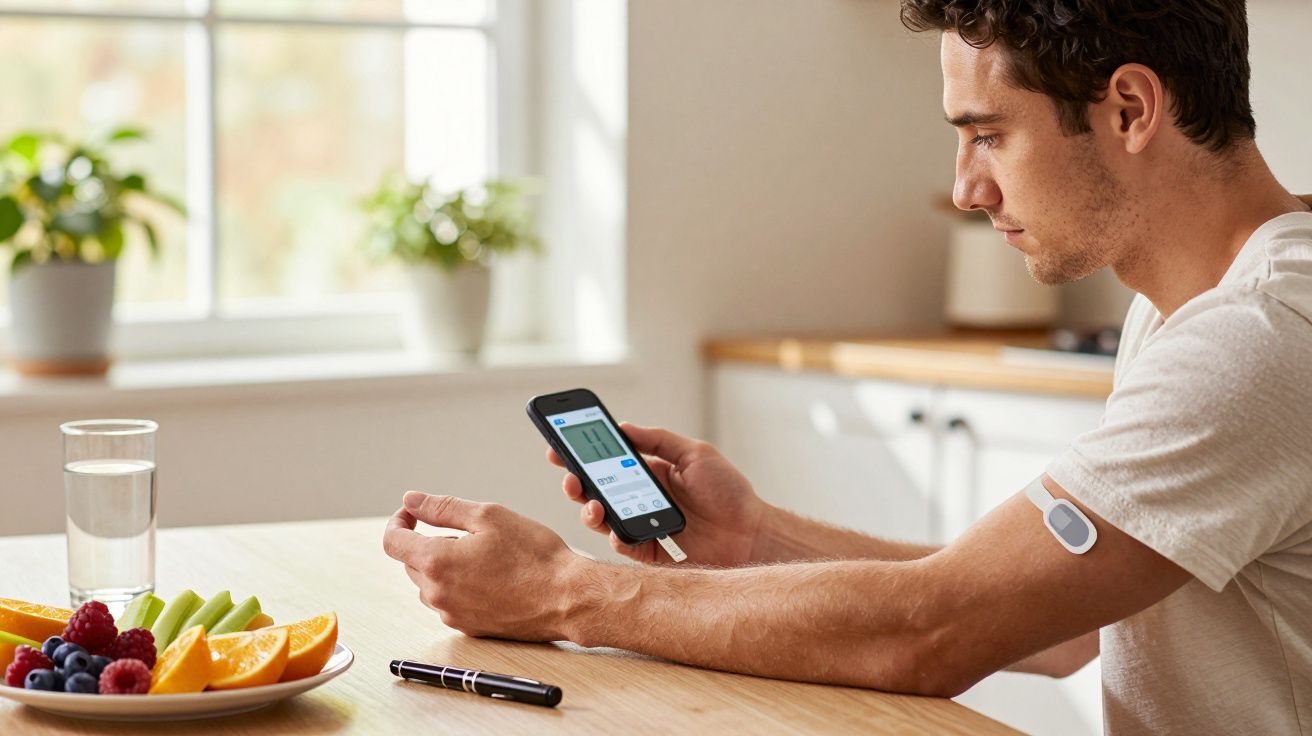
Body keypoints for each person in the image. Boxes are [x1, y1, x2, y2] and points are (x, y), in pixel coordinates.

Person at [383, 2, 1312, 732]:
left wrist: (564, 593)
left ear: (1131, 108)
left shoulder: (1258, 336)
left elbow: (938, 630)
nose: (966, 187)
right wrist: (758, 543)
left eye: (988, 134)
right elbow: (1059, 622)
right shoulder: (1204, 297)